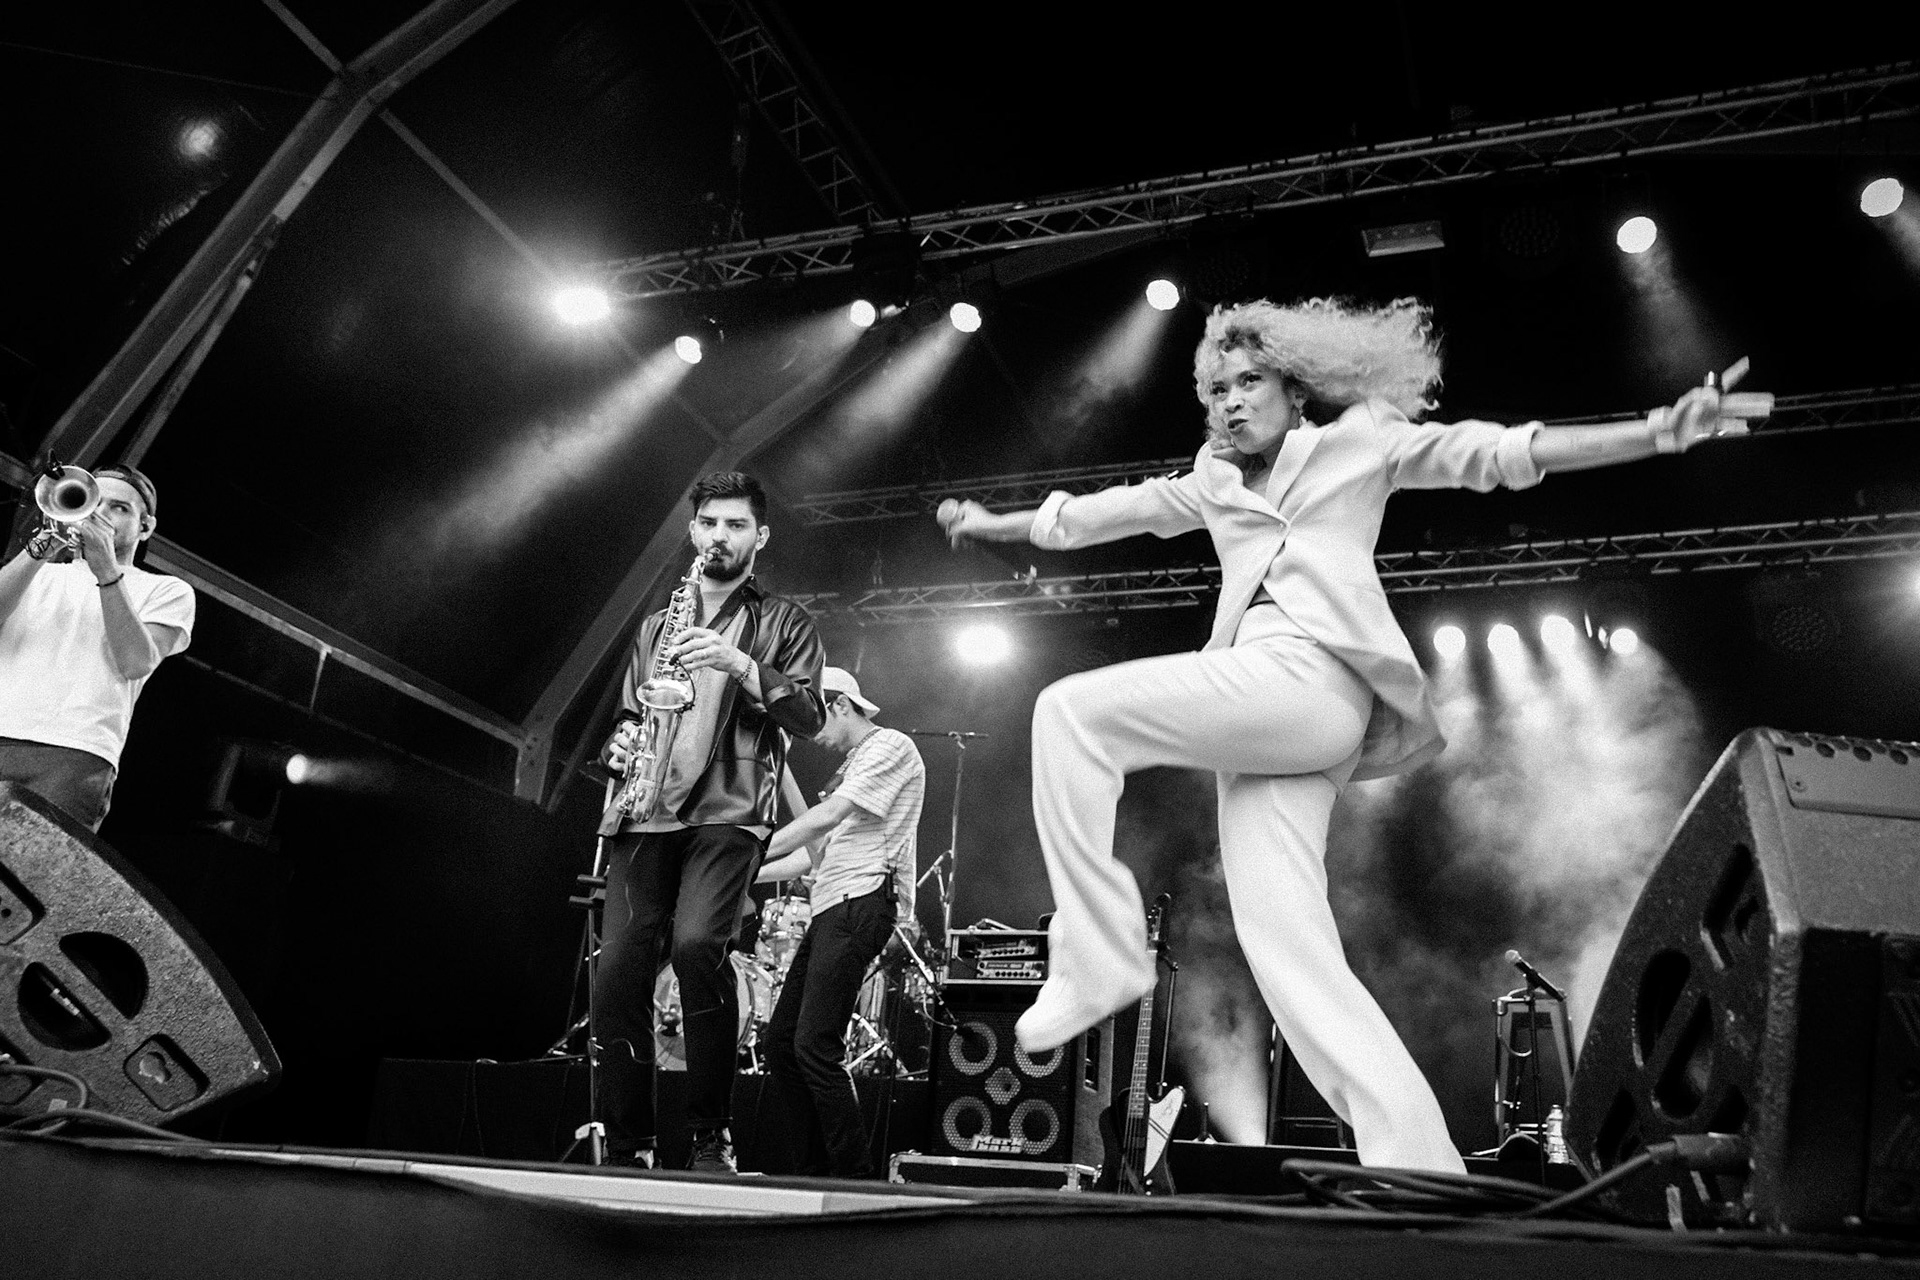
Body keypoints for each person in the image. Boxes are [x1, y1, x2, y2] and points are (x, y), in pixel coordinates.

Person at [938, 297, 1767, 1174]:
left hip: (1314, 679)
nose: (1229, 402)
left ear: (1298, 391)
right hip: (1263, 719)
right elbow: (1112, 513)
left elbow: (1499, 453)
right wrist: (999, 525)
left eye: (1249, 381)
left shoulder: (1358, 441)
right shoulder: (1214, 479)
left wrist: (1658, 431)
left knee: (1069, 711)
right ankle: (1421, 1166)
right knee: (1290, 957)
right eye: (1215, 389)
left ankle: (1098, 951)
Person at [594, 471, 825, 1173]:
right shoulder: (655, 625)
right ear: (692, 533)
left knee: (698, 950)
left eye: (734, 525)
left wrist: (737, 662)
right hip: (646, 811)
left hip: (728, 810)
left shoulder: (786, 621)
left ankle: (706, 1136)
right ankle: (626, 1143)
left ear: (759, 536)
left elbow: (811, 715)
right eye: (708, 524)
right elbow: (630, 717)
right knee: (615, 978)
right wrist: (621, 746)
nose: (718, 536)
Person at [753, 666, 924, 1178]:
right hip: (832, 905)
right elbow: (813, 853)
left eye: (815, 717)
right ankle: (809, 1173)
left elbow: (824, 819)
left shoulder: (890, 746)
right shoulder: (850, 765)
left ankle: (853, 1178)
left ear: (843, 704)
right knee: (781, 1044)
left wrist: (747, 852)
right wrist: (740, 877)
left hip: (863, 899)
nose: (812, 732)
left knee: (813, 1045)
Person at [0, 464, 194, 831]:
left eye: (119, 508)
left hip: (75, 754)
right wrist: (40, 546)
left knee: (32, 880)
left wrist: (105, 568)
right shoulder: (37, 573)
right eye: (94, 502)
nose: (100, 513)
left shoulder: (167, 590)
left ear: (146, 526)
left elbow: (136, 662)